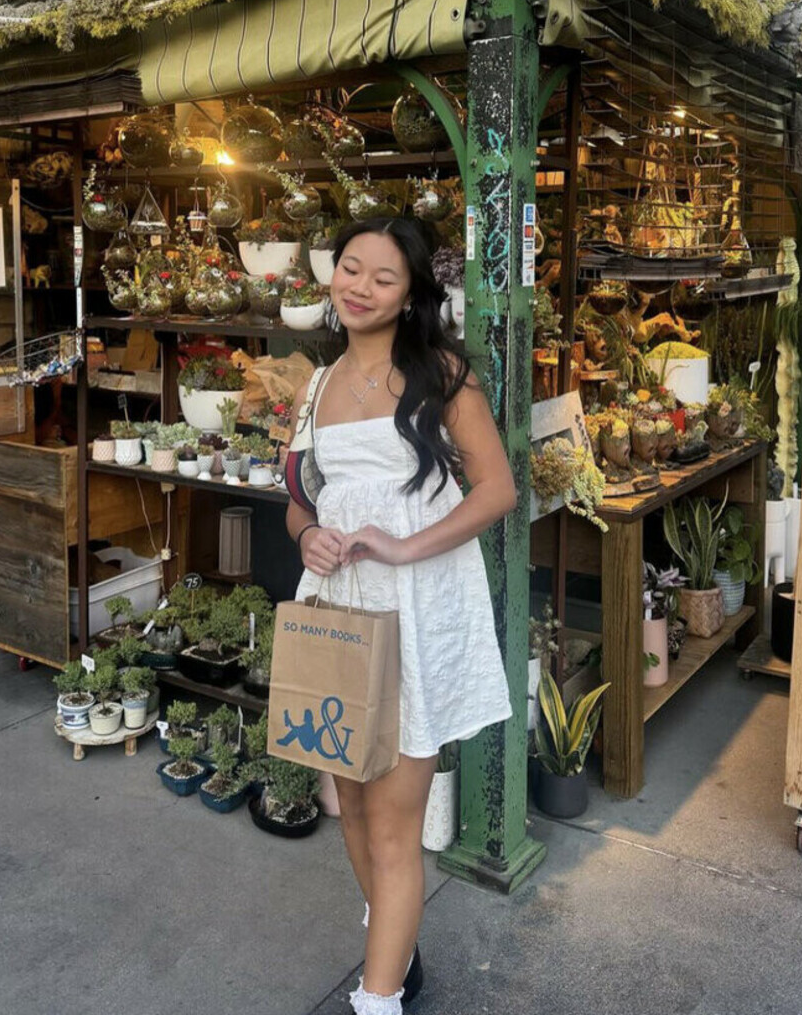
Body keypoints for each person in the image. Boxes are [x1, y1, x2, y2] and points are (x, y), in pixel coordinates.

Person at [284, 217, 515, 1014]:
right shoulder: (317, 386)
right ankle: (398, 948)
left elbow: (497, 491)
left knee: (391, 823)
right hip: (340, 611)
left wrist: (405, 546)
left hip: (418, 610)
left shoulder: (441, 374)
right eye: (350, 268)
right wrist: (308, 534)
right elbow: (300, 497)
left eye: (383, 278)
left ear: (411, 293)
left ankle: (377, 999)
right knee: (348, 803)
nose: (360, 287)